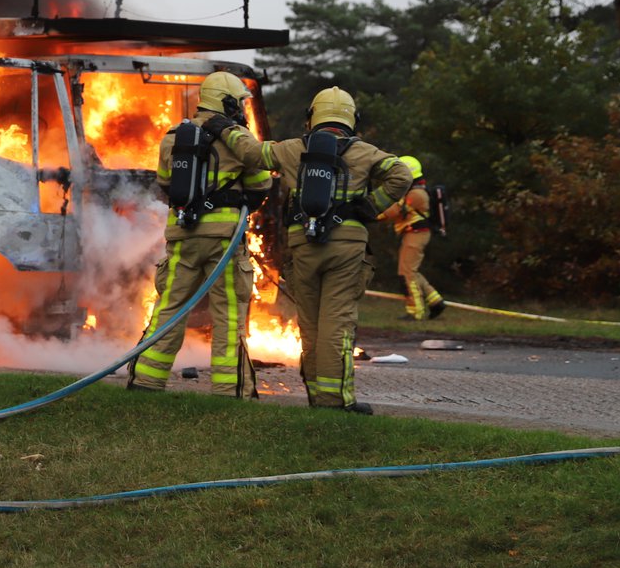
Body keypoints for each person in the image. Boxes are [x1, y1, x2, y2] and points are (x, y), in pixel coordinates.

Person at [221, 87, 411, 414]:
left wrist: (225, 127)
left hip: (304, 248)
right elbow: (402, 174)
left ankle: (316, 397)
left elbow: (252, 154)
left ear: (312, 118)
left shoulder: (292, 148)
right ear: (351, 120)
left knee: (309, 328)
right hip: (347, 248)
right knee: (337, 325)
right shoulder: (365, 152)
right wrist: (369, 206)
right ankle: (335, 402)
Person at [129, 70, 272, 396]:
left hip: (183, 238)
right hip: (224, 242)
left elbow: (165, 183)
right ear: (227, 103)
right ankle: (229, 390)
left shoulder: (173, 137)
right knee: (229, 317)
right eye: (238, 103)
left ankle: (146, 381)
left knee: (169, 309)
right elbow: (260, 185)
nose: (241, 109)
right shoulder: (237, 139)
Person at [377, 155, 446, 321]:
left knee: (406, 272)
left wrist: (371, 215)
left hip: (416, 234)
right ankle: (435, 301)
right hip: (414, 234)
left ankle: (415, 311)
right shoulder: (415, 192)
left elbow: (394, 211)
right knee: (411, 270)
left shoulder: (415, 194)